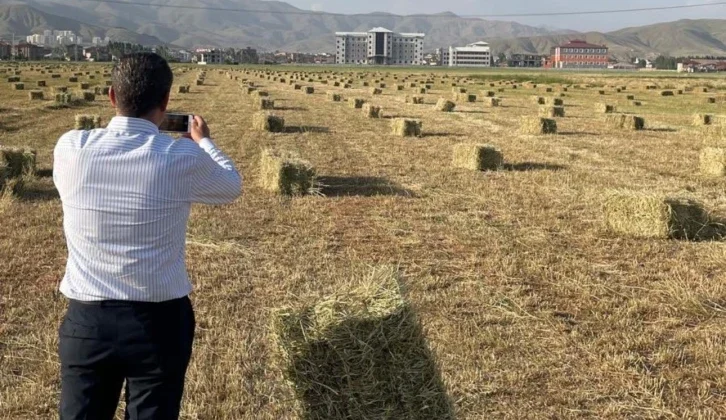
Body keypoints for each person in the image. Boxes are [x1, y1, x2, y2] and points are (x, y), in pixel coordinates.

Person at [53, 52, 242, 419]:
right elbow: (230, 186)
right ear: (166, 101)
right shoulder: (179, 157)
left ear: (111, 96)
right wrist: (203, 142)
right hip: (159, 323)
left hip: (88, 321)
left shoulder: (70, 148)